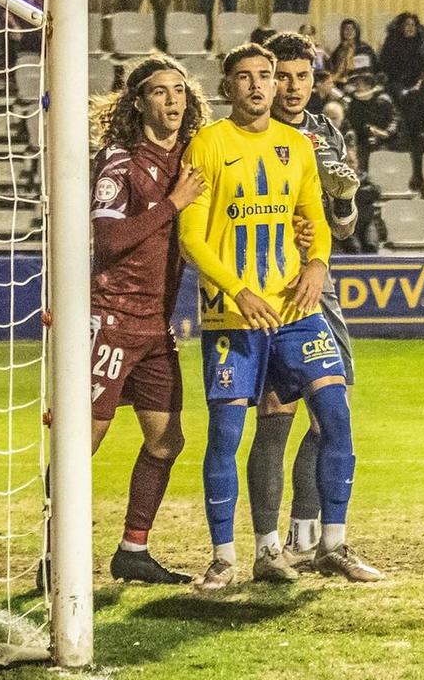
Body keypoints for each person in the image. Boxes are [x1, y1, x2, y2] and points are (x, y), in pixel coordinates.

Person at [177, 43, 368, 592]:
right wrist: (236, 290)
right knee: (229, 433)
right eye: (249, 77)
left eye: (268, 76)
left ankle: (331, 544)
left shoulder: (300, 144)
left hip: (296, 310)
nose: (262, 86)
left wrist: (317, 264)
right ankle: (232, 556)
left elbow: (317, 217)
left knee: (336, 414)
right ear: (228, 86)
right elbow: (191, 235)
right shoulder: (209, 144)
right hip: (233, 316)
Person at [239, 33, 373, 585]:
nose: (293, 88)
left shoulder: (325, 133)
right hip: (261, 289)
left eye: (303, 77)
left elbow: (345, 228)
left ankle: (310, 536)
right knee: (275, 417)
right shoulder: (244, 134)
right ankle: (267, 549)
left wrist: (341, 202)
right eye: (283, 77)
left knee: (331, 409)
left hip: (317, 286)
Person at [86, 56, 209, 585]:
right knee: (80, 443)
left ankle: (132, 550)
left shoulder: (189, 159)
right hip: (110, 319)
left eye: (179, 90)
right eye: (160, 92)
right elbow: (109, 241)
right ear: (138, 103)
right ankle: (54, 550)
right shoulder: (120, 161)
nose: (173, 100)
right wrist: (173, 202)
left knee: (165, 440)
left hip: (156, 328)